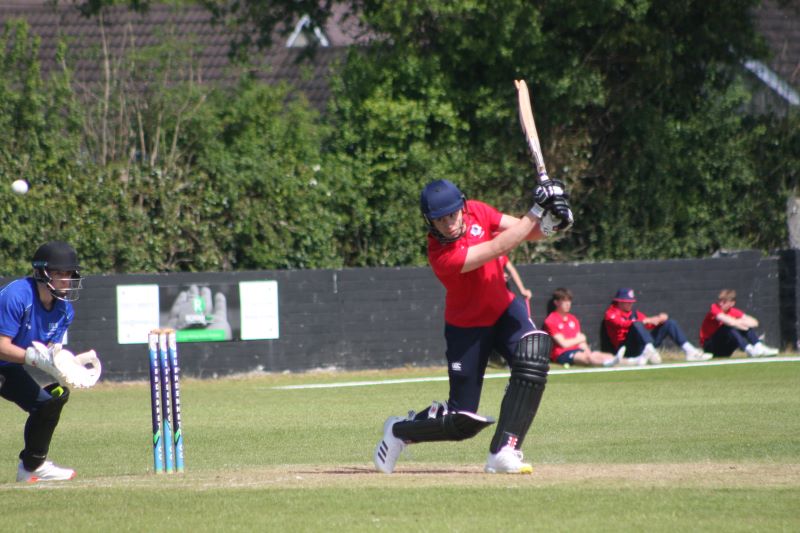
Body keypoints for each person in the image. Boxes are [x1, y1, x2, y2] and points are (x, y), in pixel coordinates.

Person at [373, 177, 573, 475]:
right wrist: (537, 209)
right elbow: (497, 247)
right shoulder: (441, 256)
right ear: (429, 221)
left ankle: (504, 451)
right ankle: (399, 431)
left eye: (452, 215)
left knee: (533, 355)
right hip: (467, 328)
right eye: (439, 219)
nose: (448, 224)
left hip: (504, 309)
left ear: (462, 207)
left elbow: (524, 231)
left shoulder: (478, 211)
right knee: (460, 420)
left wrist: (553, 222)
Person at [0, 241, 87, 482]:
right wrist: (31, 357)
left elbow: (49, 352)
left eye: (70, 273)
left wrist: (68, 367)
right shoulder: (17, 296)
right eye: (60, 273)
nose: (66, 280)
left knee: (50, 402)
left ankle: (32, 467)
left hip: (6, 368)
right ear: (41, 272)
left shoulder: (64, 311)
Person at [603, 288, 712, 364]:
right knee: (637, 323)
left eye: (631, 302)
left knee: (669, 323)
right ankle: (651, 351)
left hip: (643, 345)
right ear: (619, 302)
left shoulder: (634, 313)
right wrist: (645, 321)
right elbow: (622, 324)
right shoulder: (611, 313)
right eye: (627, 302)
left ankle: (690, 351)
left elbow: (648, 325)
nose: (630, 304)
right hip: (627, 349)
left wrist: (659, 319)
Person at [544, 287, 638, 367]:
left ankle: (633, 361)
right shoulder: (551, 320)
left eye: (569, 301)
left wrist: (587, 350)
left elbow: (581, 342)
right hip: (562, 354)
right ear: (556, 302)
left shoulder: (573, 319)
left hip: (577, 350)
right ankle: (606, 364)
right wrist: (580, 339)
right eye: (564, 301)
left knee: (603, 355)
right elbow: (564, 343)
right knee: (588, 358)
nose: (568, 304)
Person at [700, 289, 779, 358]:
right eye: (720, 301)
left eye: (724, 302)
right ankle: (749, 350)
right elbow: (729, 322)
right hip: (710, 347)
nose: (720, 303)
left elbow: (755, 322)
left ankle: (758, 346)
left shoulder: (733, 311)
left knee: (742, 326)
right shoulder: (714, 307)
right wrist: (739, 323)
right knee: (728, 327)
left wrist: (740, 323)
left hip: (725, 349)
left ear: (732, 303)